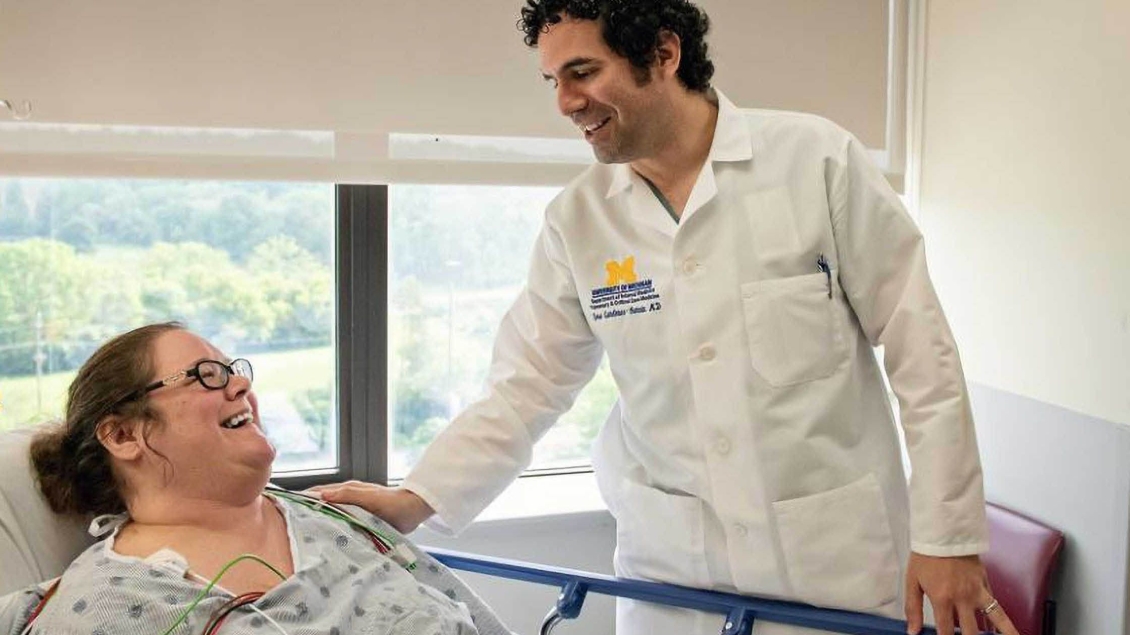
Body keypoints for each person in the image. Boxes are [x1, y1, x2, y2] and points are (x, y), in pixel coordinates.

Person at [313, 1, 1019, 634]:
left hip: (831, 566)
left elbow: (921, 351)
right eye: (553, 81)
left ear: (663, 52)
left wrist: (949, 538)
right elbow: (525, 387)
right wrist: (417, 499)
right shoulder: (579, 220)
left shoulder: (816, 161)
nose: (564, 102)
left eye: (582, 71)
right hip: (672, 577)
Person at [0, 322, 508, 635]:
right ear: (123, 436)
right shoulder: (105, 606)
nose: (242, 383)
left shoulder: (343, 523)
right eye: (206, 375)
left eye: (234, 369)